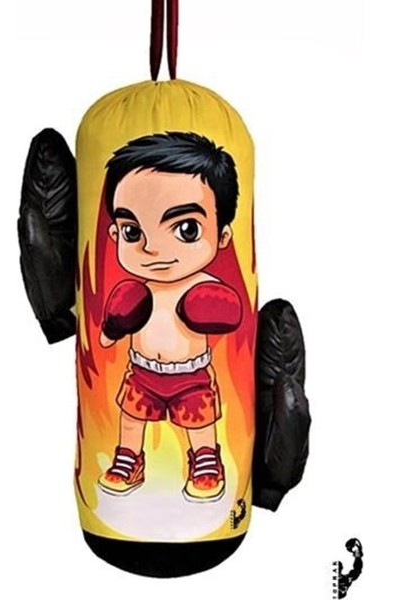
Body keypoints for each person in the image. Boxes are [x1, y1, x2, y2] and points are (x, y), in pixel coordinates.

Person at [97, 132, 242, 502]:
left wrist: (212, 308)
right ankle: (129, 458)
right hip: (141, 370)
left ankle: (205, 459)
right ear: (115, 233)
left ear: (222, 235)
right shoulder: (136, 290)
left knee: (200, 421)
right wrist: (112, 329)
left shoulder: (203, 286)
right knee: (131, 418)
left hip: (191, 374)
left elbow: (229, 312)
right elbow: (117, 319)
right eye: (132, 232)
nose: (152, 248)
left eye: (186, 229)